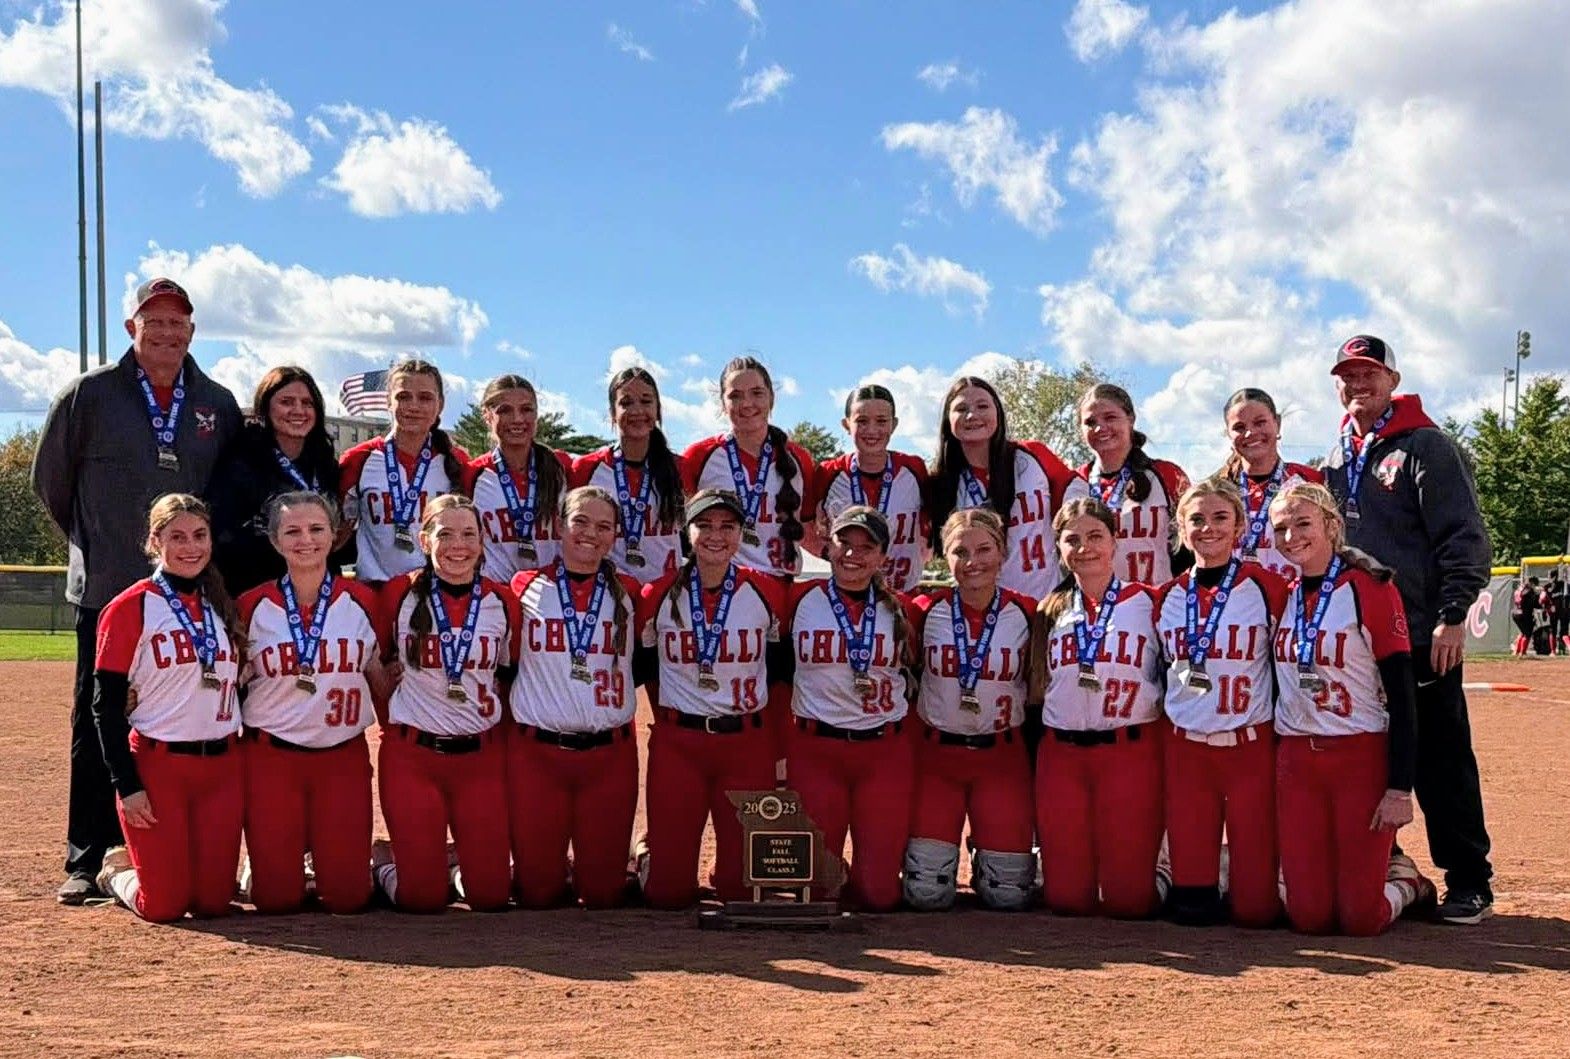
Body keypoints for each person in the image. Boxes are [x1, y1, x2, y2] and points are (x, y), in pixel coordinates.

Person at [31, 276, 243, 904]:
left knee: (185, 713)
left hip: (193, 596)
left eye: (179, 322)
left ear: (192, 332)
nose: (167, 331)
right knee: (96, 721)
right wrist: (99, 547)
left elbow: (229, 491)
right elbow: (51, 484)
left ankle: (180, 845)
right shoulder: (89, 395)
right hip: (111, 590)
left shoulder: (216, 402)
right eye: (155, 321)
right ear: (132, 328)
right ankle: (87, 856)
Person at [1322, 334, 1494, 924]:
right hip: (1356, 645)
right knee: (1373, 759)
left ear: (1393, 380)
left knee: (1441, 759)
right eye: (1347, 375)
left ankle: (1470, 879)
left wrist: (1452, 616)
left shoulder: (1426, 446)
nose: (1358, 384)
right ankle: (1392, 868)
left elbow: (1463, 536)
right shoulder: (1335, 459)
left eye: (1369, 373)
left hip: (1421, 634)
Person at [1267, 481, 1437, 934]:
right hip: (1297, 758)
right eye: (1280, 528)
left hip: (1359, 755)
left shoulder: (1370, 588)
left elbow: (1403, 695)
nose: (1291, 537)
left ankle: (1407, 883)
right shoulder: (1282, 594)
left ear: (1331, 525)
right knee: (1308, 917)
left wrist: (1400, 788)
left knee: (1361, 919)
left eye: (1303, 524)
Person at [90, 494, 245, 922]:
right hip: (159, 768)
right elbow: (104, 708)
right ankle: (119, 872)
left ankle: (165, 867)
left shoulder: (220, 601)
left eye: (199, 535)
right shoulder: (130, 606)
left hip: (222, 766)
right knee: (164, 906)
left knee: (214, 903)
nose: (190, 547)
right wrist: (127, 786)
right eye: (177, 537)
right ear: (155, 541)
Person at [236, 491, 385, 914]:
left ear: (334, 535)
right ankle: (266, 863)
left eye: (317, 529)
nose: (306, 540)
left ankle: (380, 861)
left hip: (341, 757)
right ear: (275, 540)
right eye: (293, 531)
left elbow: (382, 678)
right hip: (272, 758)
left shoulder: (362, 601)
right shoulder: (252, 605)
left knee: (349, 899)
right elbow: (227, 683)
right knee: (275, 901)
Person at [637, 489, 786, 908]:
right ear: (687, 530)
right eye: (704, 524)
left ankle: (728, 869)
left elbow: (778, 673)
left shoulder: (767, 592)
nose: (715, 535)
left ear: (742, 534)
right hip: (680, 743)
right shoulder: (658, 594)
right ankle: (651, 854)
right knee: (668, 895)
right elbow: (646, 667)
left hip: (745, 743)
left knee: (742, 892)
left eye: (727, 526)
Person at [372, 495, 517, 913]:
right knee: (421, 898)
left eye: (469, 534)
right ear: (423, 539)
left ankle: (457, 867)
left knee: (490, 895)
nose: (458, 545)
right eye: (445, 534)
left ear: (482, 541)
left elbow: (509, 677)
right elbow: (379, 667)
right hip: (414, 757)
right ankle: (385, 865)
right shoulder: (398, 594)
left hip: (479, 758)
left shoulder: (502, 601)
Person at [1154, 479, 1286, 927]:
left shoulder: (1269, 587)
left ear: (1240, 527)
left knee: (1257, 911)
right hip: (1187, 750)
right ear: (1180, 528)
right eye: (1196, 519)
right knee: (1193, 910)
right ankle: (1200, 870)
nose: (1207, 528)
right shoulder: (1166, 597)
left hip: (1249, 746)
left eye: (1219, 518)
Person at [508, 487, 646, 909]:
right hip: (538, 752)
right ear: (558, 527)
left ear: (616, 536)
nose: (590, 534)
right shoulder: (523, 586)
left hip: (608, 753)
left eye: (604, 526)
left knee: (603, 894)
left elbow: (646, 662)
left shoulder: (631, 591)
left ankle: (639, 856)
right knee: (537, 893)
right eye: (580, 522)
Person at [1026, 497, 1163, 918]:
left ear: (1115, 542)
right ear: (1059, 548)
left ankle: (1165, 870)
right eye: (1072, 540)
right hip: (1062, 756)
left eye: (1095, 536)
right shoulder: (1048, 611)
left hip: (1129, 752)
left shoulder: (1150, 602)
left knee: (1129, 902)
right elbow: (1036, 691)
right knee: (1066, 901)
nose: (1084, 548)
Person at [780, 507, 917, 911]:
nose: (853, 555)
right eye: (845, 543)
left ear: (883, 557)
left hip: (882, 751)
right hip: (816, 748)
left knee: (878, 896)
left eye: (866, 547)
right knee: (816, 893)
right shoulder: (797, 600)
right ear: (828, 545)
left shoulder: (906, 610)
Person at [904, 508, 1037, 911]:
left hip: (1001, 756)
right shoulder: (923, 609)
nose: (973, 561)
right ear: (946, 557)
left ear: (1002, 553)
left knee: (1008, 895)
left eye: (984, 549)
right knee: (925, 893)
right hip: (936, 756)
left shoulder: (1030, 612)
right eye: (961, 551)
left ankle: (989, 853)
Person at [926, 376, 1085, 601]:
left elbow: (1077, 495)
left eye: (983, 406)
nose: (972, 415)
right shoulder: (940, 483)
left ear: (998, 413)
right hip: (987, 612)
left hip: (1048, 602)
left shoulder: (1032, 456)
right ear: (947, 420)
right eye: (961, 408)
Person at [209, 366, 350, 596]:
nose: (298, 410)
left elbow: (340, 539)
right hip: (257, 590)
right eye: (286, 402)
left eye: (307, 403)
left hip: (318, 592)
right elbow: (223, 534)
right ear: (265, 407)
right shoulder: (241, 461)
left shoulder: (325, 463)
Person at [682, 356, 816, 582]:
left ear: (771, 399)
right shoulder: (699, 456)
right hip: (719, 585)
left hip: (780, 586)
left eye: (757, 393)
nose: (746, 404)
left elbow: (809, 529)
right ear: (722, 403)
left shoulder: (799, 459)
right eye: (735, 395)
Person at [339, 359, 468, 588]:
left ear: (440, 404)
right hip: (375, 591)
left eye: (425, 397)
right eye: (403, 397)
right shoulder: (358, 460)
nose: (413, 406)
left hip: (437, 592)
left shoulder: (457, 462)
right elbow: (340, 533)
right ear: (388, 401)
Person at [572, 367, 687, 583]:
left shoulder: (680, 467)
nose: (637, 411)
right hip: (606, 594)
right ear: (612, 413)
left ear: (658, 410)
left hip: (666, 596)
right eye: (626, 403)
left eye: (646, 401)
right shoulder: (585, 469)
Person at [810, 384, 928, 594]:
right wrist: (833, 554)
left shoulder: (914, 469)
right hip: (847, 593)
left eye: (881, 421)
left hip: (903, 593)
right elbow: (803, 526)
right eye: (862, 421)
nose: (872, 430)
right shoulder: (829, 473)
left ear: (894, 424)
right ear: (846, 425)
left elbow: (930, 527)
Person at [1077, 383, 1191, 586]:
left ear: (1130, 419)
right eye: (1090, 422)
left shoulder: (1167, 475)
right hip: (1098, 609)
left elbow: (1191, 542)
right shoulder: (1075, 481)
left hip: (1156, 603)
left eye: (1110, 417)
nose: (1100, 427)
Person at [467, 374, 572, 581]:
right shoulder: (472, 473)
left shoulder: (563, 467)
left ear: (536, 415)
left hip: (555, 597)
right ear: (487, 416)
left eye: (526, 409)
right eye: (504, 410)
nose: (517, 419)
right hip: (496, 595)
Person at [1217, 387, 1324, 579]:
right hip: (1234, 603)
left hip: (1296, 603)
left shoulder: (1311, 482)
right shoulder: (1218, 491)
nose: (1250, 433)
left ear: (1278, 424)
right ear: (1228, 435)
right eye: (1239, 428)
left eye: (1260, 423)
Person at [1511, 576, 1540, 657]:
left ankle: (1517, 651)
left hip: (1516, 612)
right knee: (1527, 633)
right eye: (1535, 585)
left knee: (1523, 632)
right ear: (1532, 583)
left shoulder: (1520, 588)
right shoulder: (1529, 591)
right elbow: (1534, 603)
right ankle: (1522, 652)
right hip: (1524, 614)